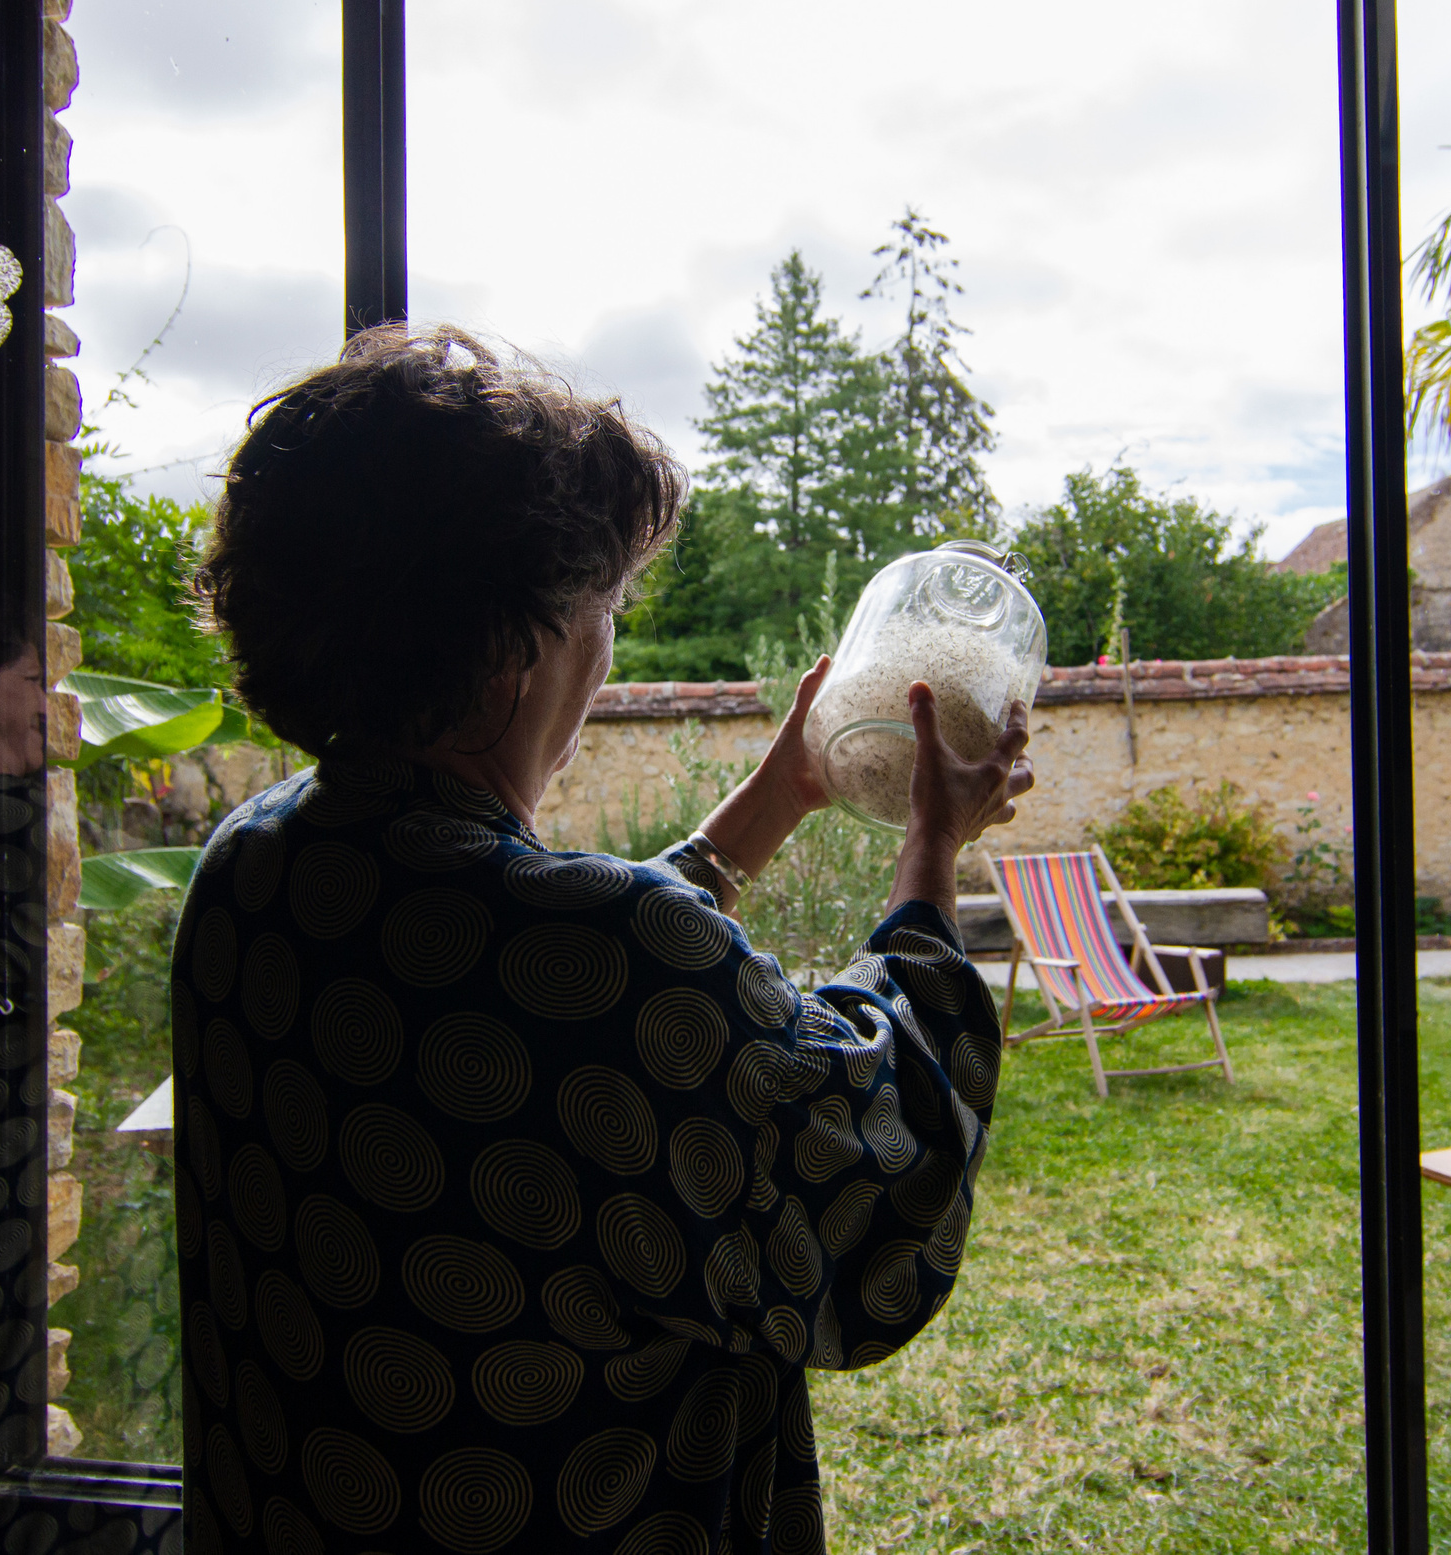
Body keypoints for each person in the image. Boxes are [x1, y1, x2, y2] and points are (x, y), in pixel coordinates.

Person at [173, 324, 1034, 1554]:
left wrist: (775, 796)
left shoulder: (255, 861)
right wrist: (932, 851)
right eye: (606, 606)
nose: (608, 642)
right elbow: (872, 1199)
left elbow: (539, 978)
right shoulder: (604, 958)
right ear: (521, 644)